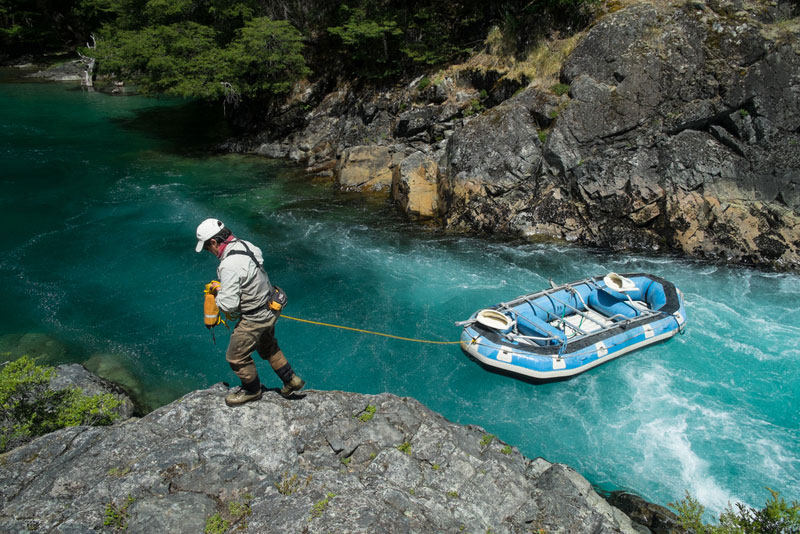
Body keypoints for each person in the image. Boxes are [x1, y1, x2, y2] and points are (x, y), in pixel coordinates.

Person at [195, 218, 304, 406]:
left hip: (255, 317)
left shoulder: (228, 265)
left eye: (206, 247)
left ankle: (252, 391)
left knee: (236, 356)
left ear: (213, 242)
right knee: (267, 346)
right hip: (271, 306)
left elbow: (229, 305)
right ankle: (291, 380)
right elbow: (248, 278)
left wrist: (217, 293)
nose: (208, 252)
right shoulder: (247, 245)